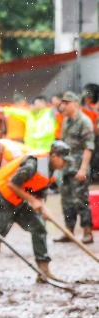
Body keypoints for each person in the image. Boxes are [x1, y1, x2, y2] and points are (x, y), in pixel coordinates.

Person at [0, 142, 72, 285]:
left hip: (19, 200)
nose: (65, 163)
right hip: (3, 199)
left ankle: (43, 271)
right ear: (54, 156)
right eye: (63, 160)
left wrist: (42, 207)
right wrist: (32, 201)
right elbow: (12, 184)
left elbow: (39, 189)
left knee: (39, 227)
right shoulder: (33, 164)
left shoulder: (51, 169)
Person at [56, 91, 95, 244]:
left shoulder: (84, 121)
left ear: (76, 104)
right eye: (63, 102)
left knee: (81, 200)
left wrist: (83, 169)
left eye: (67, 103)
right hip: (66, 167)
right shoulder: (66, 121)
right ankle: (69, 231)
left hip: (79, 166)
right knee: (66, 201)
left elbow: (88, 147)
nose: (63, 105)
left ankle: (87, 231)